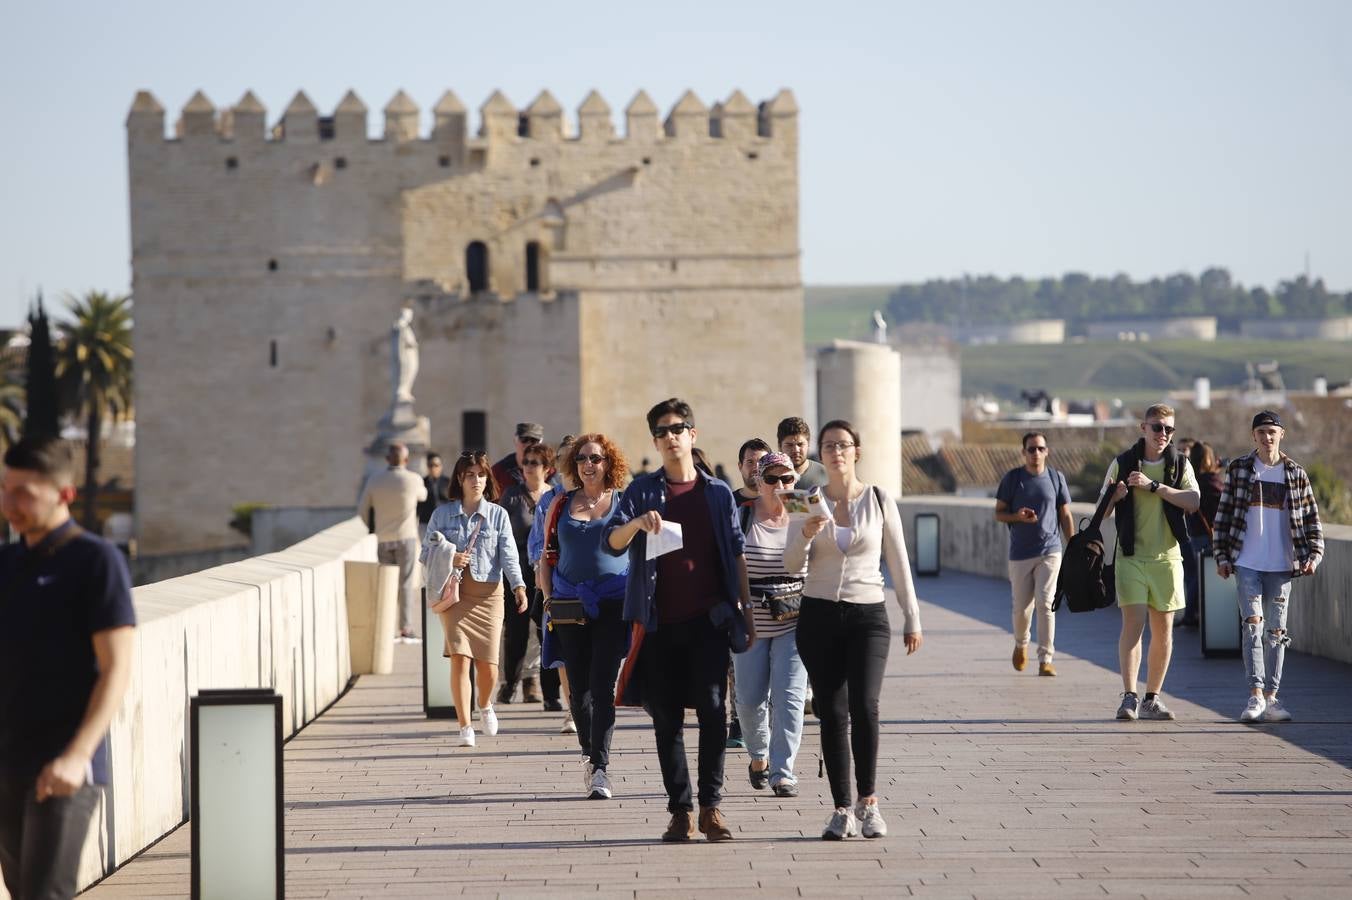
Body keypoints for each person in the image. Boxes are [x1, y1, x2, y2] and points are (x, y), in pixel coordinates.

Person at [604, 398, 756, 843]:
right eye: (663, 431)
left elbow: (736, 555)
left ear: (693, 434)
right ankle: (680, 811)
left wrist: (746, 614)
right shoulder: (642, 492)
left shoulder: (717, 493)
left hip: (709, 620)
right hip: (657, 623)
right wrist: (635, 524)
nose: (672, 436)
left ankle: (711, 807)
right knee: (666, 719)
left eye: (679, 428)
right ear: (654, 439)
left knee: (713, 711)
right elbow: (612, 542)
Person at [1, 437, 136, 900]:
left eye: (24, 493)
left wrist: (77, 756)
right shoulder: (7, 563)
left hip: (64, 768)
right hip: (8, 764)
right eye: (4, 488)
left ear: (64, 495)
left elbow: (115, 669)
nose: (9, 503)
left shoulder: (98, 561)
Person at [786, 420, 922, 841]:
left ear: (856, 451)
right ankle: (841, 808)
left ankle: (869, 802)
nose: (836, 452)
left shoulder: (879, 499)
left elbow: (898, 561)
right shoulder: (803, 500)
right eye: (828, 446)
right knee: (831, 711)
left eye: (844, 445)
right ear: (819, 455)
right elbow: (791, 565)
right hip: (819, 615)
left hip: (868, 615)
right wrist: (806, 535)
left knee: (865, 705)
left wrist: (911, 617)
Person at [1213, 411, 1324, 724]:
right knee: (1253, 627)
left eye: (1272, 432)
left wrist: (1313, 555)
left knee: (1276, 632)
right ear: (1254, 436)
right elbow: (1223, 516)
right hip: (1247, 561)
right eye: (1261, 432)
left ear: (1282, 435)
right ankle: (1256, 694)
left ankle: (1273, 697)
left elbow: (1311, 520)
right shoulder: (1238, 469)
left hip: (1281, 564)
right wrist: (1222, 556)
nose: (1267, 437)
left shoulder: (1296, 473)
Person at [539, 434, 631, 800]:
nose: (588, 464)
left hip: (612, 603)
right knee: (578, 690)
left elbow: (641, 554)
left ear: (609, 463)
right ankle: (588, 751)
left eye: (595, 458)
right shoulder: (560, 504)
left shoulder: (624, 503)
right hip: (568, 604)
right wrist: (548, 600)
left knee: (603, 686)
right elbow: (546, 555)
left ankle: (600, 768)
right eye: (581, 459)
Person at [1099, 403, 1200, 722]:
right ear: (1143, 428)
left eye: (1169, 429)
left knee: (1164, 630)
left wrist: (1153, 486)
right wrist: (1114, 497)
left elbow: (1193, 502)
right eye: (1157, 427)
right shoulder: (1123, 462)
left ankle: (1152, 698)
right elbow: (1101, 511)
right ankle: (1129, 696)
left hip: (1168, 558)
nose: (1163, 434)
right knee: (1134, 624)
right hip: (1130, 557)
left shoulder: (1180, 464)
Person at [422, 450, 529, 747]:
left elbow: (508, 553)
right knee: (459, 657)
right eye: (470, 475)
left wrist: (518, 586)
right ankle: (464, 726)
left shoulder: (498, 514)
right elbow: (424, 552)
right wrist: (449, 556)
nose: (476, 480)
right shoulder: (441, 515)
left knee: (489, 666)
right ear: (460, 478)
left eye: (481, 475)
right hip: (454, 594)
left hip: (489, 595)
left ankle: (485, 704)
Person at [734, 451, 809, 798]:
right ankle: (759, 756)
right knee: (750, 700)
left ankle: (783, 772)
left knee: (789, 697)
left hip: (796, 619)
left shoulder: (802, 511)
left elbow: (824, 558)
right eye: (772, 479)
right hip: (752, 619)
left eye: (788, 479)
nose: (780, 486)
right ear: (758, 482)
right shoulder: (742, 517)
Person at [994, 431, 1074, 677]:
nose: (1036, 453)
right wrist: (1017, 517)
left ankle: (1045, 659)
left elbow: (1065, 514)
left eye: (1040, 448)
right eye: (1031, 449)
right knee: (1021, 609)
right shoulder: (1013, 479)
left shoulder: (1055, 478)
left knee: (1046, 603)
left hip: (1050, 550)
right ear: (1023, 452)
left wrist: (1073, 546)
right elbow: (999, 513)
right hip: (1020, 553)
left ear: (1047, 451)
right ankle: (1021, 643)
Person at [496, 443, 552, 707]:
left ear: (547, 468)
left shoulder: (556, 496)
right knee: (516, 633)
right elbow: (501, 534)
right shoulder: (512, 495)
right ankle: (509, 685)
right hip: (518, 574)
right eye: (526, 462)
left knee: (546, 632)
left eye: (534, 462)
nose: (528, 467)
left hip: (548, 575)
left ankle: (548, 693)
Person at [357, 442, 428, 643]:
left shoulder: (375, 480)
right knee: (405, 583)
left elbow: (362, 510)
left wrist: (374, 527)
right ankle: (405, 627)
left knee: (386, 583)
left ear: (387, 459)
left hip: (383, 538)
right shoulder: (413, 479)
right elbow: (424, 495)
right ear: (406, 460)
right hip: (406, 537)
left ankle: (386, 628)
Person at [1179, 441, 1224, 628]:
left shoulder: (1191, 481)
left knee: (1193, 576)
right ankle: (1193, 616)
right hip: (1207, 535)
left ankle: (1191, 614)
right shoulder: (1211, 482)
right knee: (1202, 577)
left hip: (1192, 533)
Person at [491, 422, 544, 494]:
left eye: (533, 441)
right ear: (515, 440)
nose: (528, 444)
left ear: (541, 443)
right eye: (524, 440)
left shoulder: (550, 471)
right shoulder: (499, 471)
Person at [777, 417, 827, 491]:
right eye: (789, 445)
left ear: (808, 444)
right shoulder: (771, 478)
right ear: (780, 447)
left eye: (800, 444)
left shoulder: (825, 474)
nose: (795, 450)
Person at [418, 452, 452, 530]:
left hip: (445, 523)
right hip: (426, 523)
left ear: (441, 466)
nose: (433, 468)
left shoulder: (448, 482)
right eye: (431, 465)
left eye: (436, 465)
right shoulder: (421, 482)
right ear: (427, 466)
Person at [734, 438, 771, 504]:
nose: (756, 468)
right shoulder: (727, 502)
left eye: (761, 462)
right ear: (740, 466)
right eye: (750, 462)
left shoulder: (781, 502)